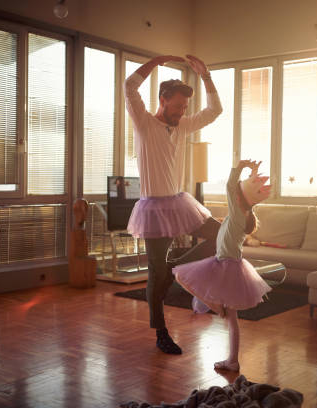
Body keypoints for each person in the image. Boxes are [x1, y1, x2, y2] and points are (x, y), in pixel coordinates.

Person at [123, 55, 223, 355]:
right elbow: (129, 86)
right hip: (152, 210)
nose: (182, 112)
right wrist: (157, 61)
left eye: (185, 108)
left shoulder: (183, 126)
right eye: (178, 106)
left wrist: (205, 76)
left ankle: (177, 269)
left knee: (221, 234)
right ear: (163, 100)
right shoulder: (144, 123)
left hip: (180, 204)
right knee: (155, 273)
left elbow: (215, 110)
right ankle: (161, 333)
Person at [172, 159, 273, 371]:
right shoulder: (243, 215)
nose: (233, 195)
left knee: (181, 276)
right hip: (230, 265)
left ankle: (217, 307)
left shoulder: (237, 214)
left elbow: (230, 187)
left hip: (225, 265)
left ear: (239, 199)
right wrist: (252, 172)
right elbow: (238, 189)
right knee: (232, 321)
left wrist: (239, 167)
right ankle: (233, 360)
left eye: (237, 194)